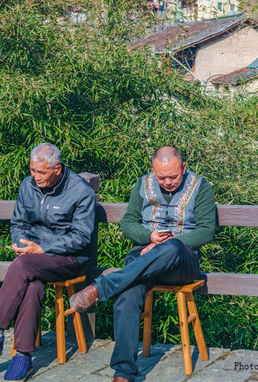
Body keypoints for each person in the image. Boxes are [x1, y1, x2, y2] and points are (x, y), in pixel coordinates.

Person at [69, 146, 216, 382]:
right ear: (153, 170)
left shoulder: (201, 186)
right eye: (161, 177)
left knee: (173, 247)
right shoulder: (142, 184)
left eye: (173, 176)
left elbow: (206, 232)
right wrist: (149, 237)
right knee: (127, 293)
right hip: (144, 255)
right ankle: (124, 372)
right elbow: (128, 223)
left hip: (181, 261)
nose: (167, 182)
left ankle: (102, 286)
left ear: (184, 168)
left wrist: (166, 245)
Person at [0, 143, 96, 381]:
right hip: (33, 259)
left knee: (22, 267)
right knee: (32, 285)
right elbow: (18, 222)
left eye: (41, 172)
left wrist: (44, 248)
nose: (35, 176)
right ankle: (23, 356)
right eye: (32, 170)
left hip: (68, 258)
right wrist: (21, 244)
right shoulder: (27, 185)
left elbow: (82, 237)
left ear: (57, 169)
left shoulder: (81, 191)